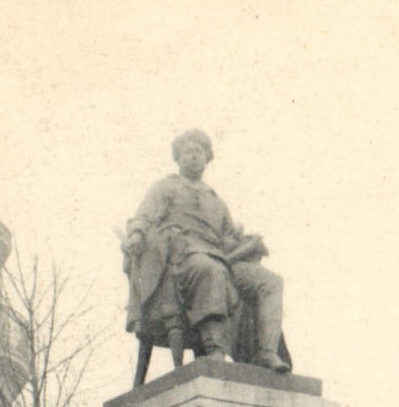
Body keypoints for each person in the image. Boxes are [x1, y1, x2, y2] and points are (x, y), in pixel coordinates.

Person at [123, 129, 289, 371]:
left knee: (271, 281)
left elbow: (228, 238)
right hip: (181, 257)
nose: (193, 157)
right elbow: (143, 217)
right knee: (209, 269)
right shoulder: (164, 188)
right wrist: (136, 235)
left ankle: (266, 353)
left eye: (199, 152)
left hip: (222, 258)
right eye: (187, 152)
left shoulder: (216, 200)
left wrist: (248, 243)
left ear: (207, 158)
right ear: (178, 157)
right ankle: (215, 351)